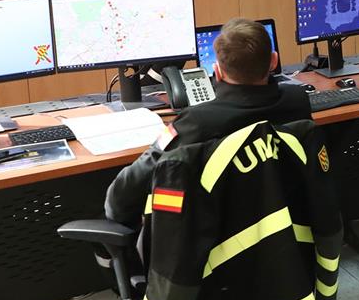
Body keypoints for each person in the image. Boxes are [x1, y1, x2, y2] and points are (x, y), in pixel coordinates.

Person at [105, 18, 311, 224]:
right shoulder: (297, 99)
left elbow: (121, 196)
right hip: (287, 232)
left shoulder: (196, 122)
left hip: (216, 243)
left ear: (218, 72)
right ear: (273, 61)